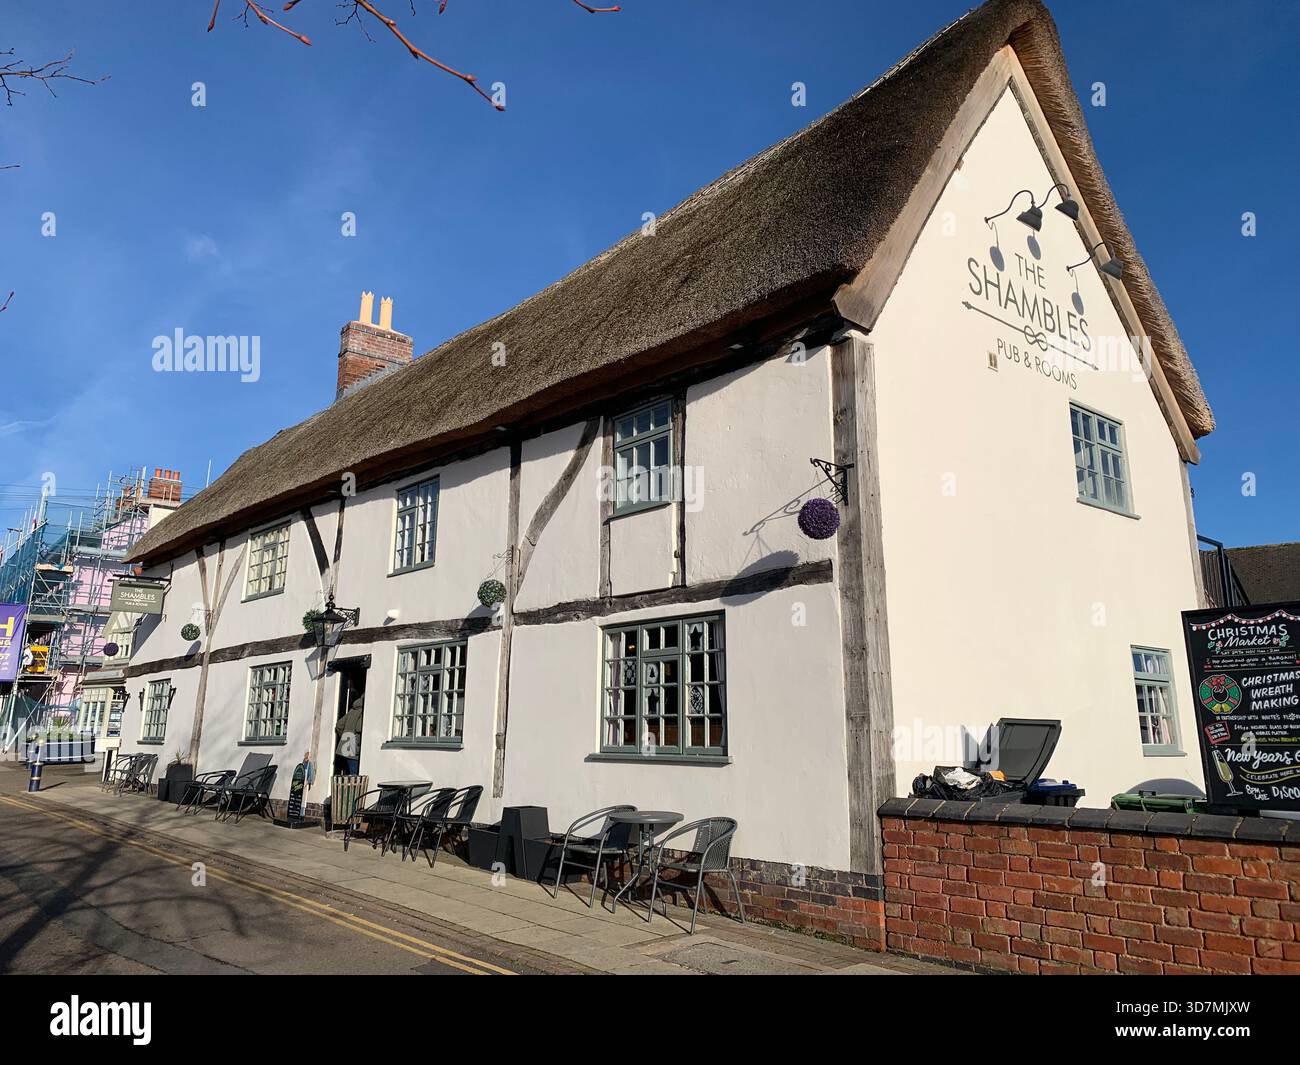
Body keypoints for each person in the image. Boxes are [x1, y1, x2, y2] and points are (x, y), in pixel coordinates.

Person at [335, 694, 364, 775]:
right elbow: (359, 727)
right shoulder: (363, 711)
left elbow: (339, 725)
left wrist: (345, 737)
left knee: (350, 775)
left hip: (346, 745)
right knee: (354, 777)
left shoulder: (353, 710)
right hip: (354, 747)